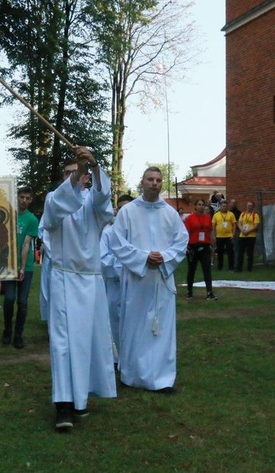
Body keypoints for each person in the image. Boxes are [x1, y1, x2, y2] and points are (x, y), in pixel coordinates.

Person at [40, 147, 116, 431]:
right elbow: (53, 214)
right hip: (63, 278)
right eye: (70, 173)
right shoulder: (55, 199)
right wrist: (77, 177)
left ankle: (81, 399)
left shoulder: (94, 205)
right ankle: (63, 405)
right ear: (64, 177)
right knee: (63, 343)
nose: (75, 176)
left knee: (89, 341)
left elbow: (103, 200)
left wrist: (94, 167)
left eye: (79, 173)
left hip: (91, 279)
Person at [107, 167, 189, 393]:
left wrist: (164, 257)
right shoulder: (128, 212)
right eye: (150, 179)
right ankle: (132, 374)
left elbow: (181, 241)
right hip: (136, 280)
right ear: (141, 182)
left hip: (161, 279)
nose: (154, 183)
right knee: (134, 327)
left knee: (161, 329)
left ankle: (162, 378)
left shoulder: (170, 213)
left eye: (158, 180)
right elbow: (117, 242)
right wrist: (143, 257)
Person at [1, 186, 39, 349]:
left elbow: (26, 244)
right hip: (8, 265)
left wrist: (22, 268)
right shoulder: (8, 215)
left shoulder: (32, 219)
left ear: (30, 200)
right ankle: (7, 330)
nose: (23, 200)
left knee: (22, 302)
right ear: (17, 197)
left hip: (26, 266)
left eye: (27, 198)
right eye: (21, 197)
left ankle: (18, 334)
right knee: (9, 298)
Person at [100, 193, 134, 367]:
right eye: (121, 208)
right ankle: (116, 357)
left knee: (134, 322)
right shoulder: (108, 233)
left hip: (135, 284)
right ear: (116, 210)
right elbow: (103, 259)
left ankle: (133, 357)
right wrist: (123, 266)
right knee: (114, 320)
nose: (123, 211)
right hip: (114, 284)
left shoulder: (137, 232)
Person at [184, 199, 217, 300]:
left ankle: (209, 293)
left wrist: (213, 242)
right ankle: (189, 291)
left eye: (203, 205)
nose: (201, 206)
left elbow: (210, 231)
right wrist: (186, 247)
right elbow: (186, 233)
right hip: (193, 246)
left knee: (207, 270)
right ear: (195, 206)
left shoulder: (207, 218)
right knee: (191, 270)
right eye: (199, 204)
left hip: (205, 246)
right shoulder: (190, 218)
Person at [211, 199, 236, 271]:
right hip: (219, 236)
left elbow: (234, 224)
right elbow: (213, 225)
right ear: (220, 207)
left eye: (225, 206)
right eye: (223, 206)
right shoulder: (216, 215)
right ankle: (220, 267)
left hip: (229, 236)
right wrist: (213, 235)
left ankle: (231, 267)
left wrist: (233, 234)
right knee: (220, 252)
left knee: (230, 252)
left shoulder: (231, 214)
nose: (224, 207)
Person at [235, 201, 260, 272]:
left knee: (250, 253)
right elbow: (239, 223)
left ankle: (250, 268)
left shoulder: (255, 215)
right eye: (248, 205)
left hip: (251, 236)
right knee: (240, 253)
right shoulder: (243, 214)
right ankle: (239, 269)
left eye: (250, 206)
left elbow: (256, 225)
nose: (249, 207)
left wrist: (248, 231)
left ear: (253, 207)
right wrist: (242, 230)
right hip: (242, 236)